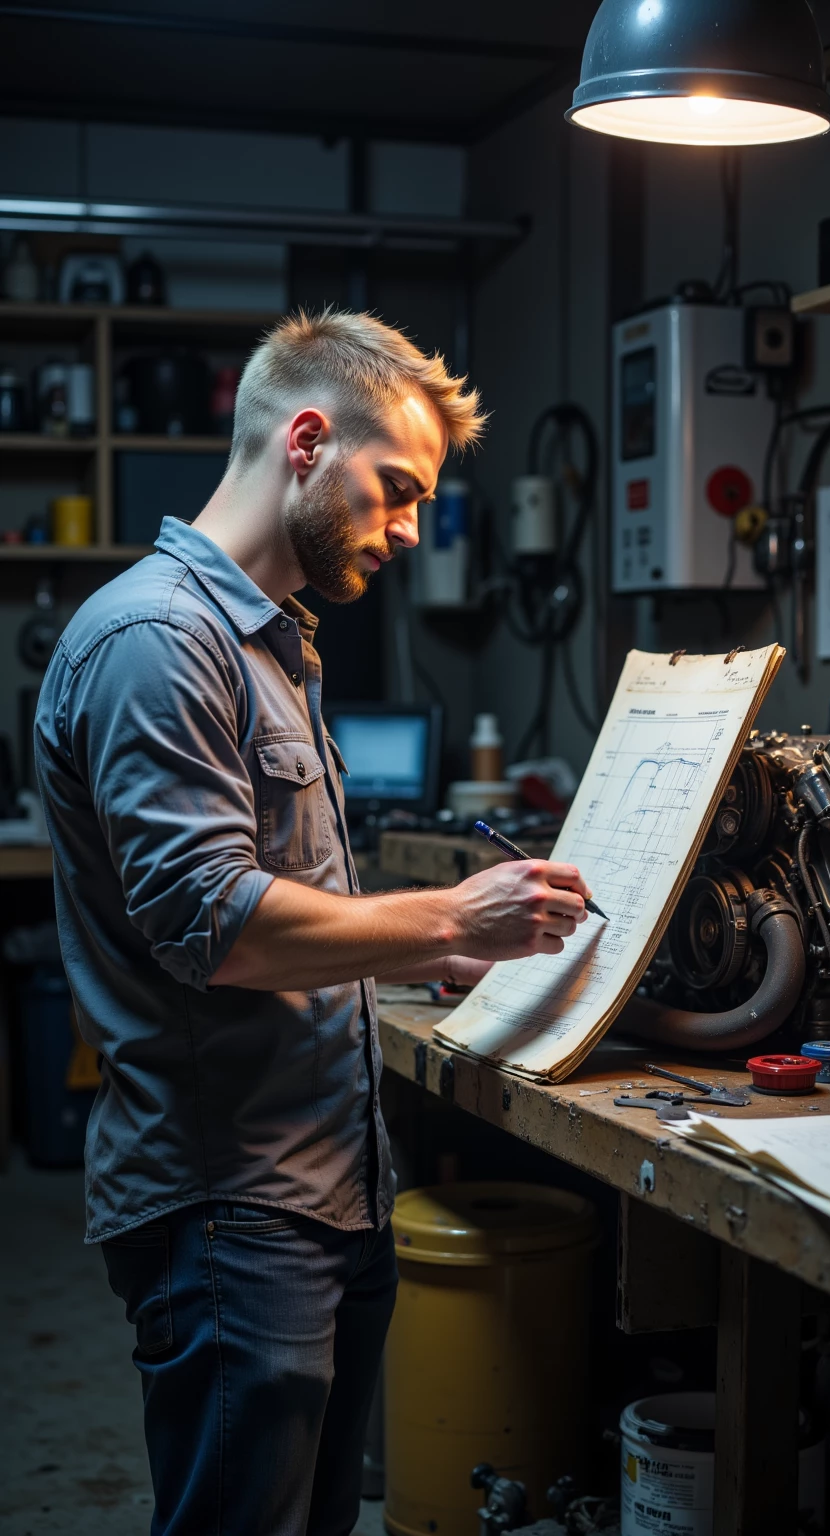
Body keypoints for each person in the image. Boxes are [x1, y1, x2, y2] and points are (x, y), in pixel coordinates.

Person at [34, 309, 591, 1536]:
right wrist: (450, 909)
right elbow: (211, 923)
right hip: (232, 1205)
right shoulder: (159, 642)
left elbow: (291, 900)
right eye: (395, 490)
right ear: (302, 439)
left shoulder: (274, 648)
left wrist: (435, 947)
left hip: (322, 1186)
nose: (405, 529)